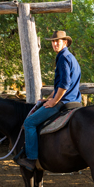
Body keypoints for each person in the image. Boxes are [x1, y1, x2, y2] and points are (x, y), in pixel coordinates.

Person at [15, 30, 81, 171]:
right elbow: (59, 86)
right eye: (53, 41)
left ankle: (31, 159)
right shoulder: (71, 57)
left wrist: (54, 101)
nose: (55, 43)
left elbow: (64, 84)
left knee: (29, 122)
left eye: (58, 41)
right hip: (75, 100)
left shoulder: (63, 58)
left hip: (64, 101)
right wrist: (49, 97)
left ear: (65, 42)